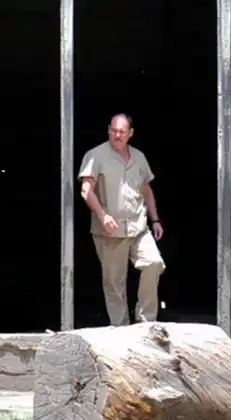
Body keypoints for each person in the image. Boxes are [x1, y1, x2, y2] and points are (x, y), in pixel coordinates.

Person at [77, 113, 166, 326]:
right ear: (109, 129)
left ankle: (146, 323)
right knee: (114, 286)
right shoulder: (95, 155)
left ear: (130, 134)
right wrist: (102, 215)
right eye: (114, 130)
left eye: (122, 132)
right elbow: (86, 190)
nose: (117, 135)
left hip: (138, 227)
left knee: (153, 263)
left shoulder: (139, 157)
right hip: (110, 231)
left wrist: (155, 219)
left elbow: (147, 190)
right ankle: (121, 330)